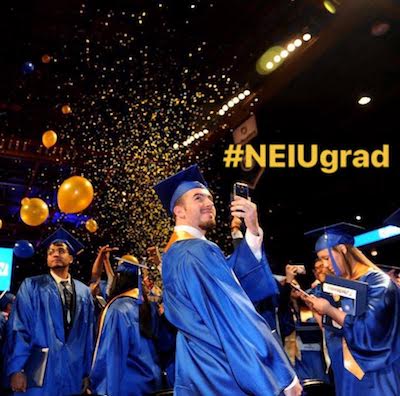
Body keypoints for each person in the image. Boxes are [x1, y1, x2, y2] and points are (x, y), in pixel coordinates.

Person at [154, 164, 301, 396]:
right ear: (179, 211)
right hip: (223, 373)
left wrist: (252, 229)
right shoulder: (198, 251)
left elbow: (232, 280)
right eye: (198, 198)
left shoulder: (175, 254)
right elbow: (236, 313)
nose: (209, 203)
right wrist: (282, 372)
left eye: (210, 198)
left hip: (198, 370)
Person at [303, 222, 400, 396]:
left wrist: (331, 311)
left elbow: (371, 330)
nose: (324, 265)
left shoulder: (379, 283)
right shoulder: (338, 284)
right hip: (345, 373)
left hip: (375, 372)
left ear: (342, 249)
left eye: (326, 258)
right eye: (321, 259)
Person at [6, 227, 95, 395]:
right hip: (40, 371)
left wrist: (86, 372)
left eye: (61, 251)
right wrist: (17, 369)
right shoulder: (32, 286)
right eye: (51, 252)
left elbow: (87, 336)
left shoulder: (84, 293)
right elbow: (19, 328)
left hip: (72, 372)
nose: (55, 254)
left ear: (71, 258)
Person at [90, 258, 162, 396]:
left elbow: (111, 354)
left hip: (125, 385)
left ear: (119, 277)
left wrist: (97, 384)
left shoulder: (118, 309)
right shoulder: (149, 306)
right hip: (151, 382)